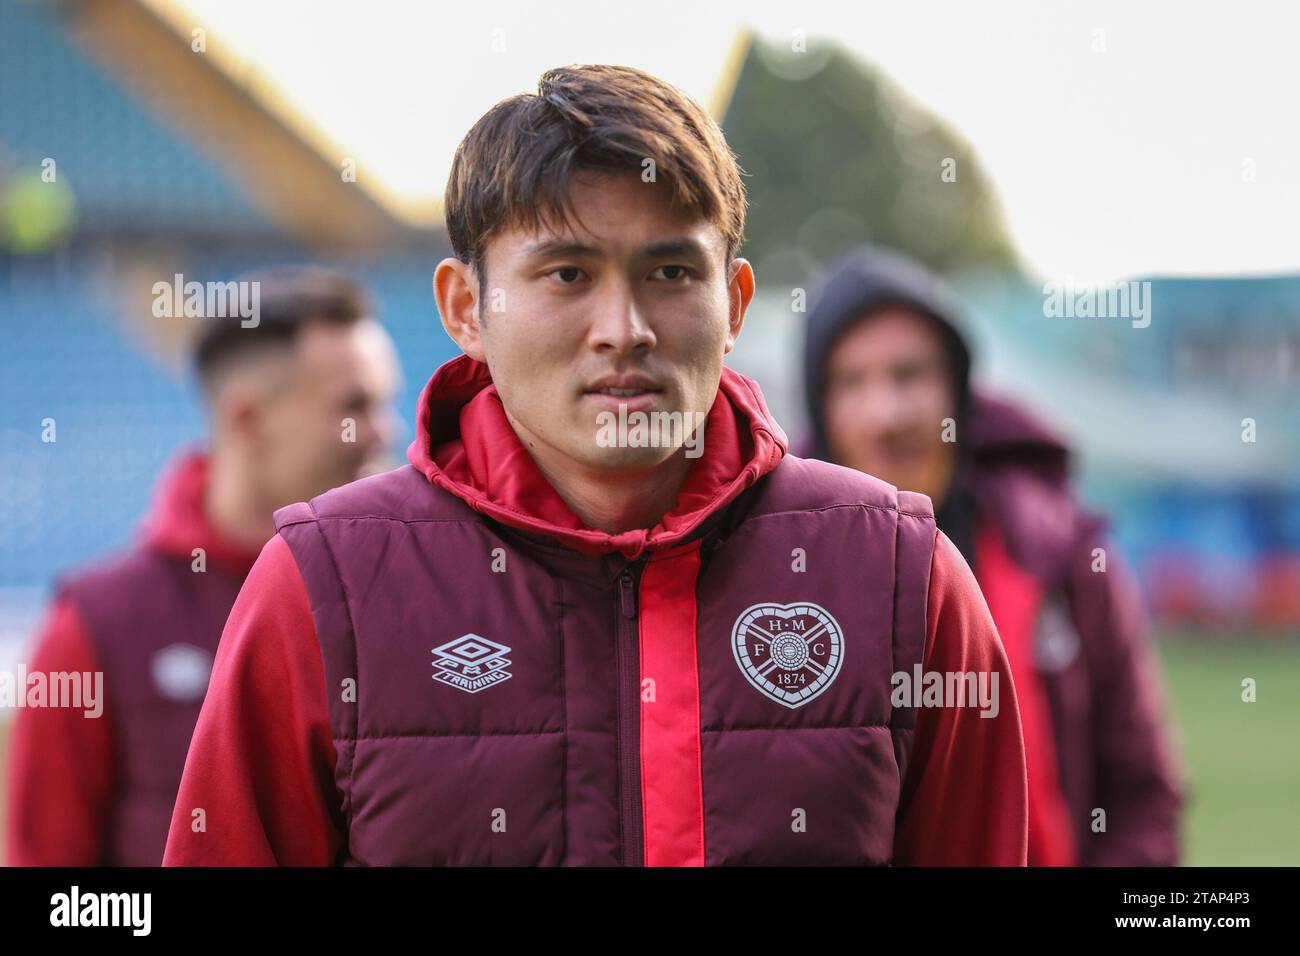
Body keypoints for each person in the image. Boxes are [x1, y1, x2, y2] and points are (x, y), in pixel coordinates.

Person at [164, 65, 1027, 867]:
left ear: (732, 304)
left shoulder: (904, 575)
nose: (625, 327)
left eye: (670, 271)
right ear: (468, 309)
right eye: (568, 272)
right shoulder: (323, 589)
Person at [801, 244, 1186, 865]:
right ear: (822, 408)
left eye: (909, 374)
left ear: (957, 389)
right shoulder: (779, 568)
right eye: (852, 381)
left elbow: (1140, 794)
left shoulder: (1062, 556)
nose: (887, 413)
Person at [5, 268, 399, 866]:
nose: (384, 430)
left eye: (385, 402)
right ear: (248, 420)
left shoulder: (404, 595)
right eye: (355, 405)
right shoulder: (94, 626)